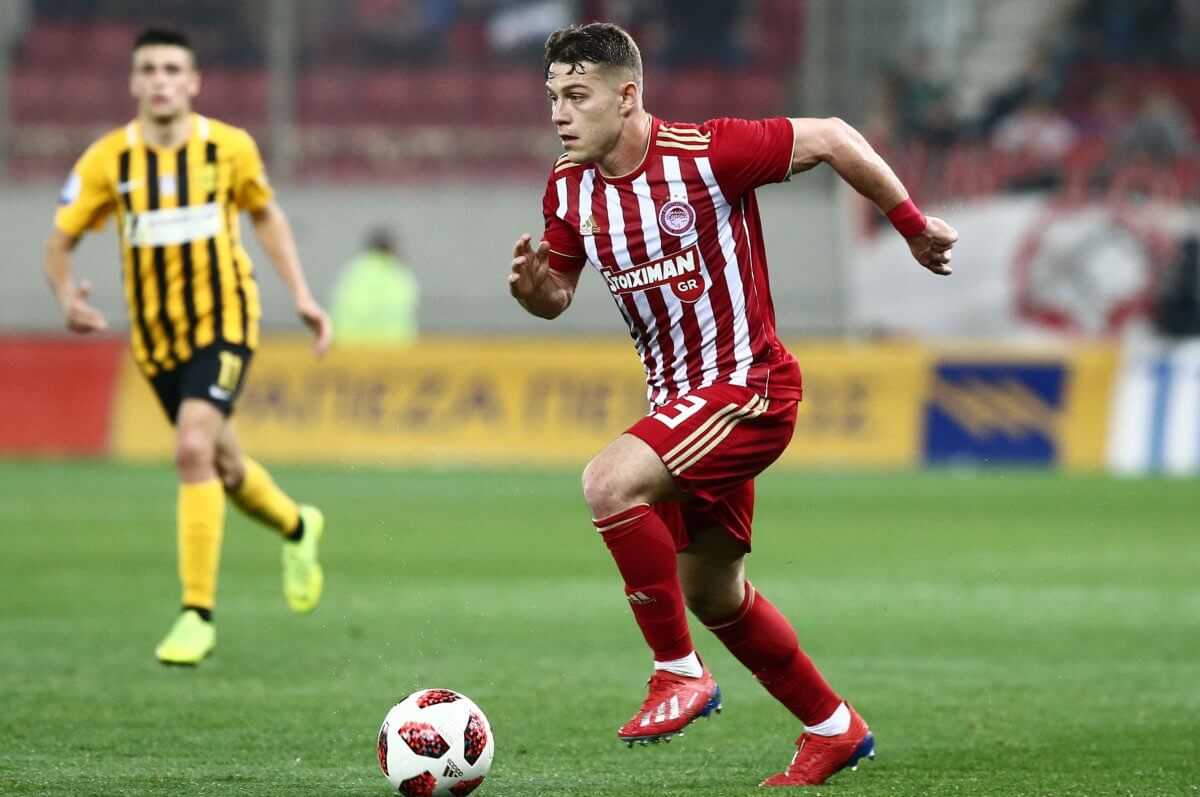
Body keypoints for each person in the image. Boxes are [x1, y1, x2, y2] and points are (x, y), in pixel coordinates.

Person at [507, 23, 957, 787]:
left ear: (627, 96)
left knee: (609, 482)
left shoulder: (707, 153)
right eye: (553, 96)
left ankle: (678, 671)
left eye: (577, 95)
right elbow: (558, 293)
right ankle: (833, 727)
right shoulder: (570, 186)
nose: (559, 113)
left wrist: (911, 226)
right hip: (682, 406)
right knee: (713, 591)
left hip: (748, 387)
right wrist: (533, 291)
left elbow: (835, 136)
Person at [43, 28, 333, 666]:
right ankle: (298, 525)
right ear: (133, 82)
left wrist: (302, 294)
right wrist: (67, 298)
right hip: (156, 342)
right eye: (149, 69)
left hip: (225, 322)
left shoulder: (228, 147)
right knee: (224, 466)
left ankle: (196, 614)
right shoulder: (107, 160)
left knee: (192, 448)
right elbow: (59, 242)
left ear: (194, 81)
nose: (161, 80)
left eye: (173, 69)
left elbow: (264, 213)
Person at [330, 227, 420, 345]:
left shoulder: (353, 272)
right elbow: (408, 309)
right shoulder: (400, 274)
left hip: (351, 344)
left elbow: (338, 306)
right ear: (392, 250)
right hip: (393, 345)